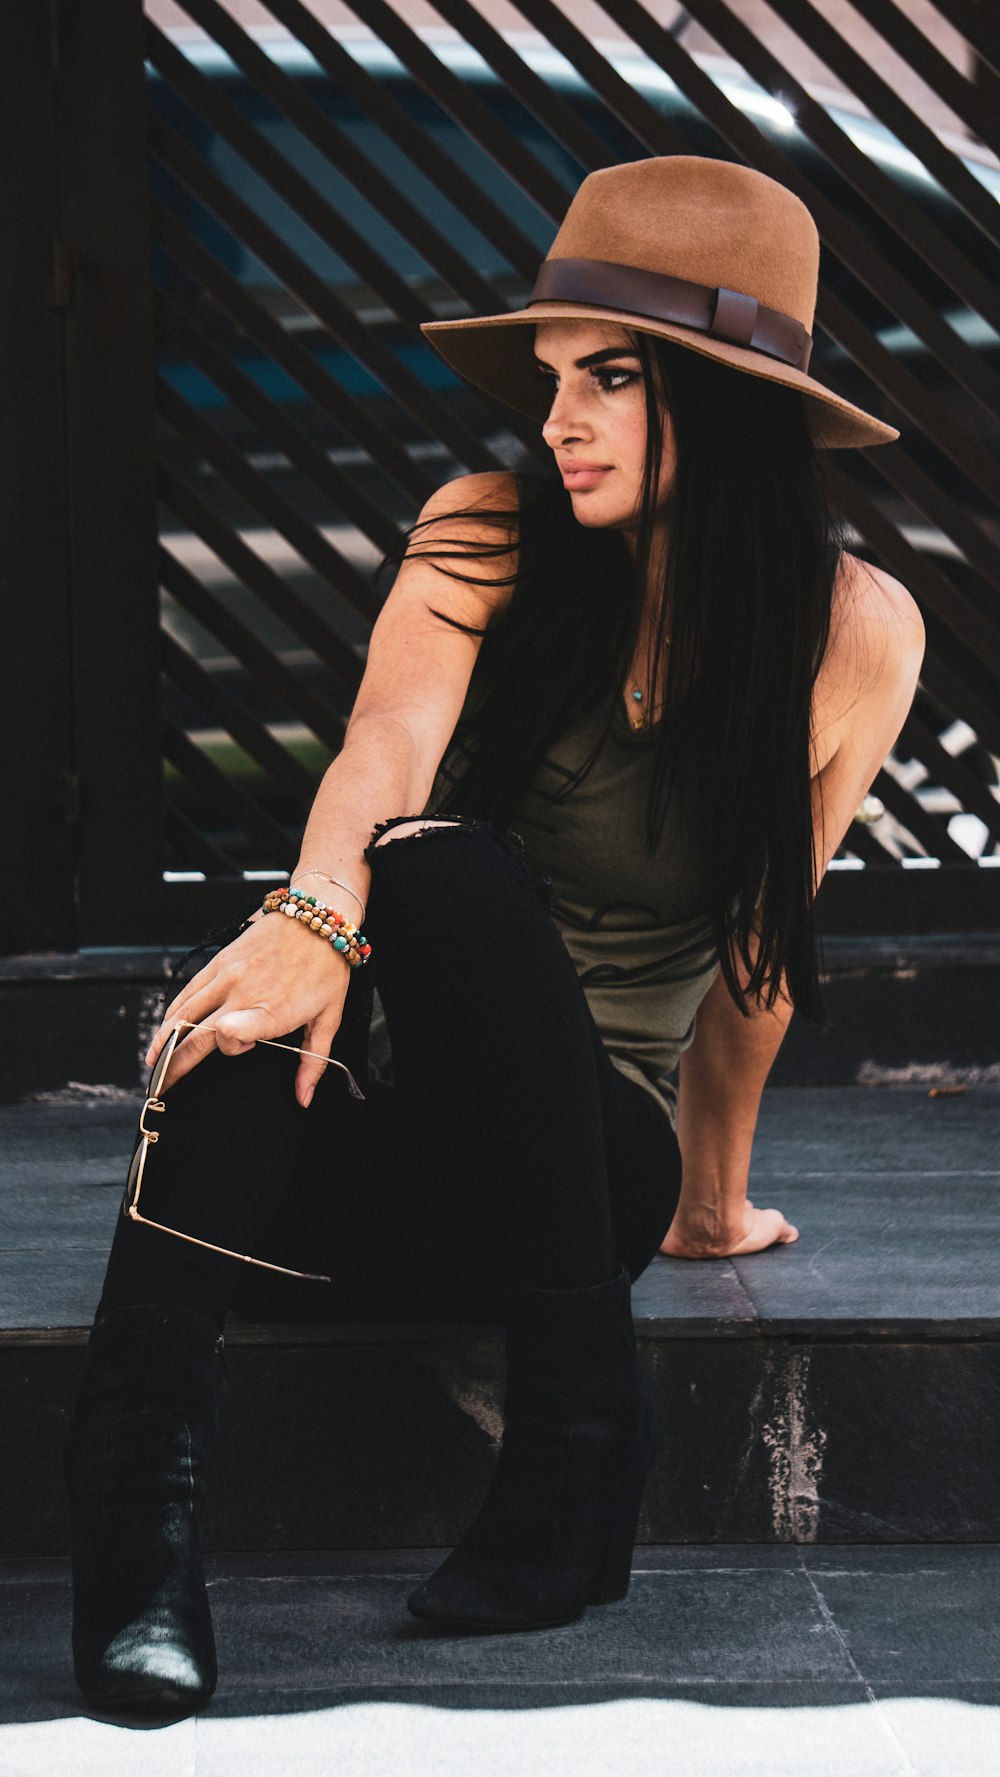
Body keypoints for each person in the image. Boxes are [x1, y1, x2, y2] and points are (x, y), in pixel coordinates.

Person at [63, 155, 925, 1714]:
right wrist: (312, 921)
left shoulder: (851, 632)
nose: (557, 423)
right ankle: (139, 1538)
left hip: (595, 1176)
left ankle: (572, 1433)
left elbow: (761, 955)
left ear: (723, 406)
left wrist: (713, 1207)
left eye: (609, 379)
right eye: (551, 382)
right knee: (247, 1032)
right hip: (392, 1162)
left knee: (441, 877)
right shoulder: (488, 532)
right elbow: (383, 742)